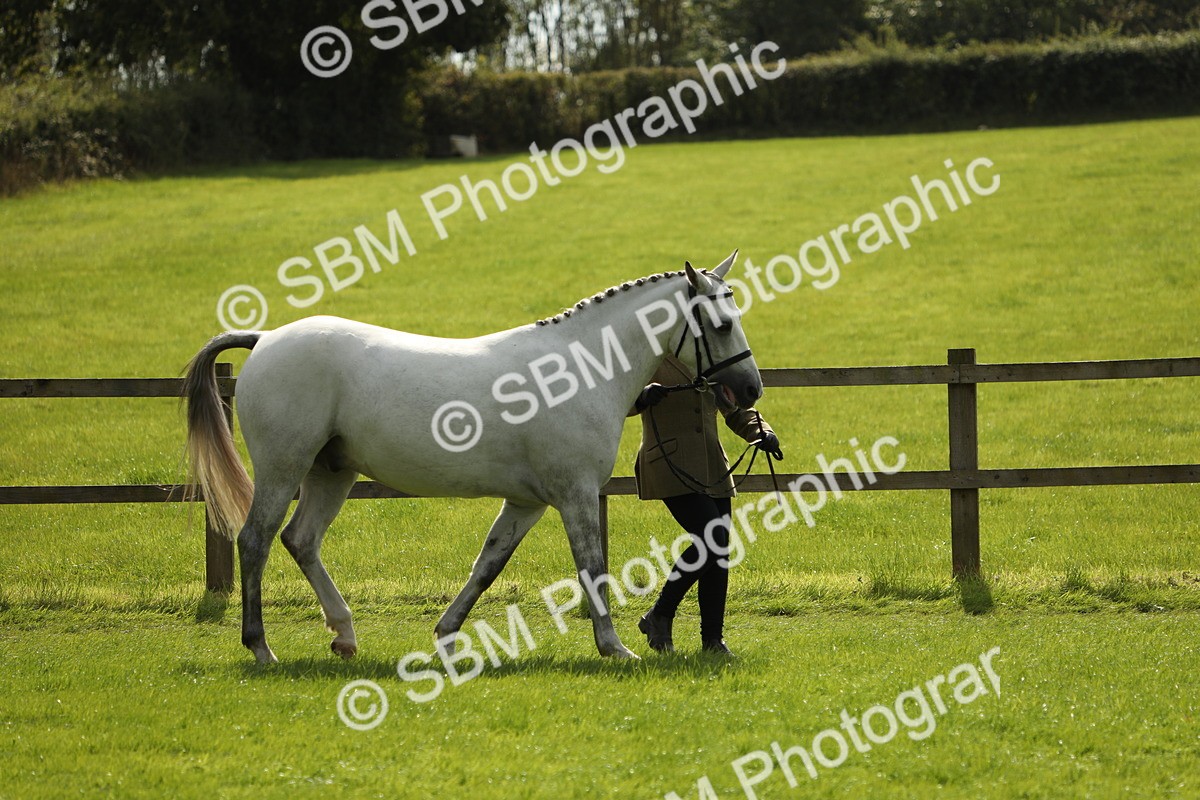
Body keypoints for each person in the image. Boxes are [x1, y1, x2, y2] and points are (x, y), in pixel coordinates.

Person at [630, 353, 782, 656]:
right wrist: (643, 397)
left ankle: (712, 640)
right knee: (713, 541)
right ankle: (660, 614)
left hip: (713, 467)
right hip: (669, 463)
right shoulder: (649, 355)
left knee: (719, 550)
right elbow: (619, 399)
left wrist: (761, 431)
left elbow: (735, 409)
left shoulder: (710, 358)